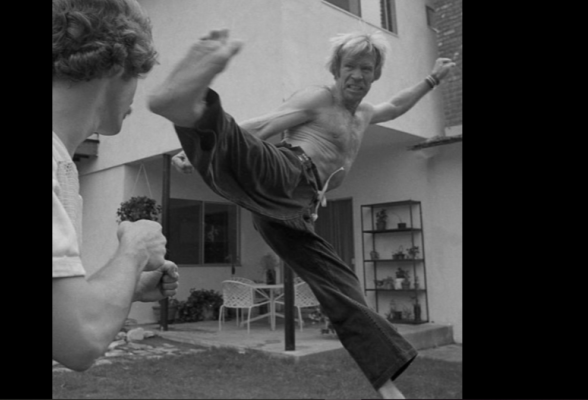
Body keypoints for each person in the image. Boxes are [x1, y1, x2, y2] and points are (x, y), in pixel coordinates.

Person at [147, 29, 454, 399]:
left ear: (376, 74)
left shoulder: (365, 114)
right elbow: (264, 125)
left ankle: (386, 386)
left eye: (366, 68)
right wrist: (194, 153)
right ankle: (192, 112)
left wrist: (432, 79)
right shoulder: (320, 98)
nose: (357, 75)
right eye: (350, 66)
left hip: (298, 212)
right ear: (337, 69)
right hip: (291, 170)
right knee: (256, 157)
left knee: (342, 287)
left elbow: (397, 106)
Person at [52, 0, 179, 372]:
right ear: (118, 62)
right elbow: (79, 339)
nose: (136, 97)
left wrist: (128, 286)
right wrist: (136, 248)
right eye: (139, 73)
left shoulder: (61, 164)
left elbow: (62, 315)